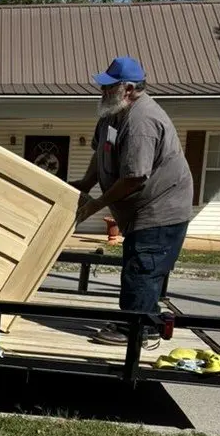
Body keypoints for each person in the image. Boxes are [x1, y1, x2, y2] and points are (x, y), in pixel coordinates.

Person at [73, 56, 193, 348]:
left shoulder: (142, 121)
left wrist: (95, 204)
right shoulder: (112, 114)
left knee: (142, 268)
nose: (102, 91)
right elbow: (100, 152)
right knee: (137, 266)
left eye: (108, 87)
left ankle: (139, 330)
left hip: (161, 210)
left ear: (127, 89)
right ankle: (137, 321)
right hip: (142, 210)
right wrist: (85, 184)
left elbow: (134, 177)